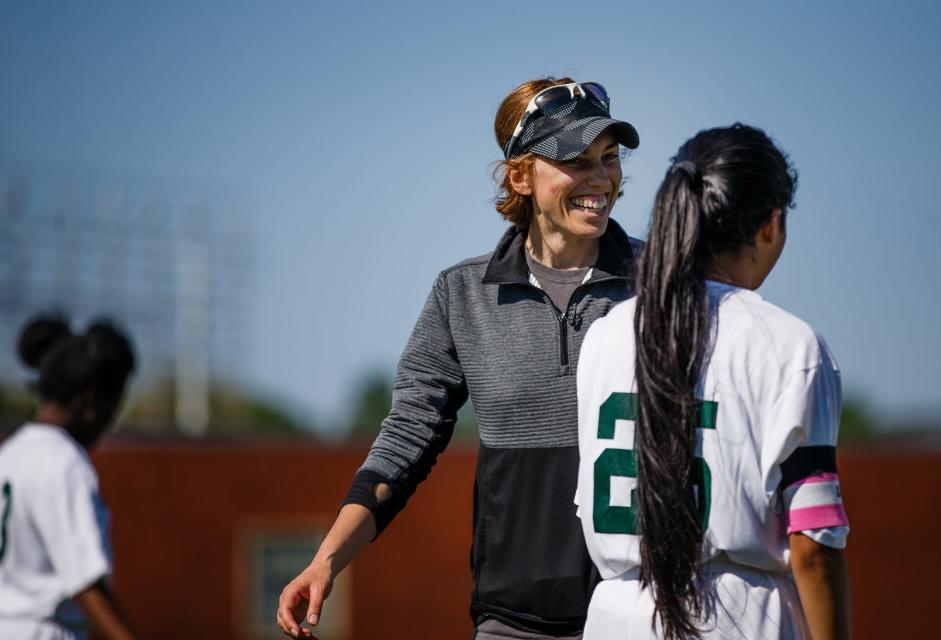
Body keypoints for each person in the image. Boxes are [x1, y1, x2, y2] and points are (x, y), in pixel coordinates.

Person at [277, 78, 640, 639]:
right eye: (576, 160)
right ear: (520, 176)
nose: (600, 179)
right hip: (512, 622)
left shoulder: (664, 281)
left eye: (609, 159)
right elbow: (406, 440)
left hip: (642, 611)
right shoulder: (460, 294)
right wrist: (326, 559)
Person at [576, 124, 852, 639]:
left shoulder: (606, 334)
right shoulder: (791, 346)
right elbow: (813, 545)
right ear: (771, 225)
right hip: (740, 618)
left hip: (615, 616)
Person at [0, 314, 138, 640]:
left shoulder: (10, 455)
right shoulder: (64, 463)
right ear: (89, 398)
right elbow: (86, 582)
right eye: (113, 404)